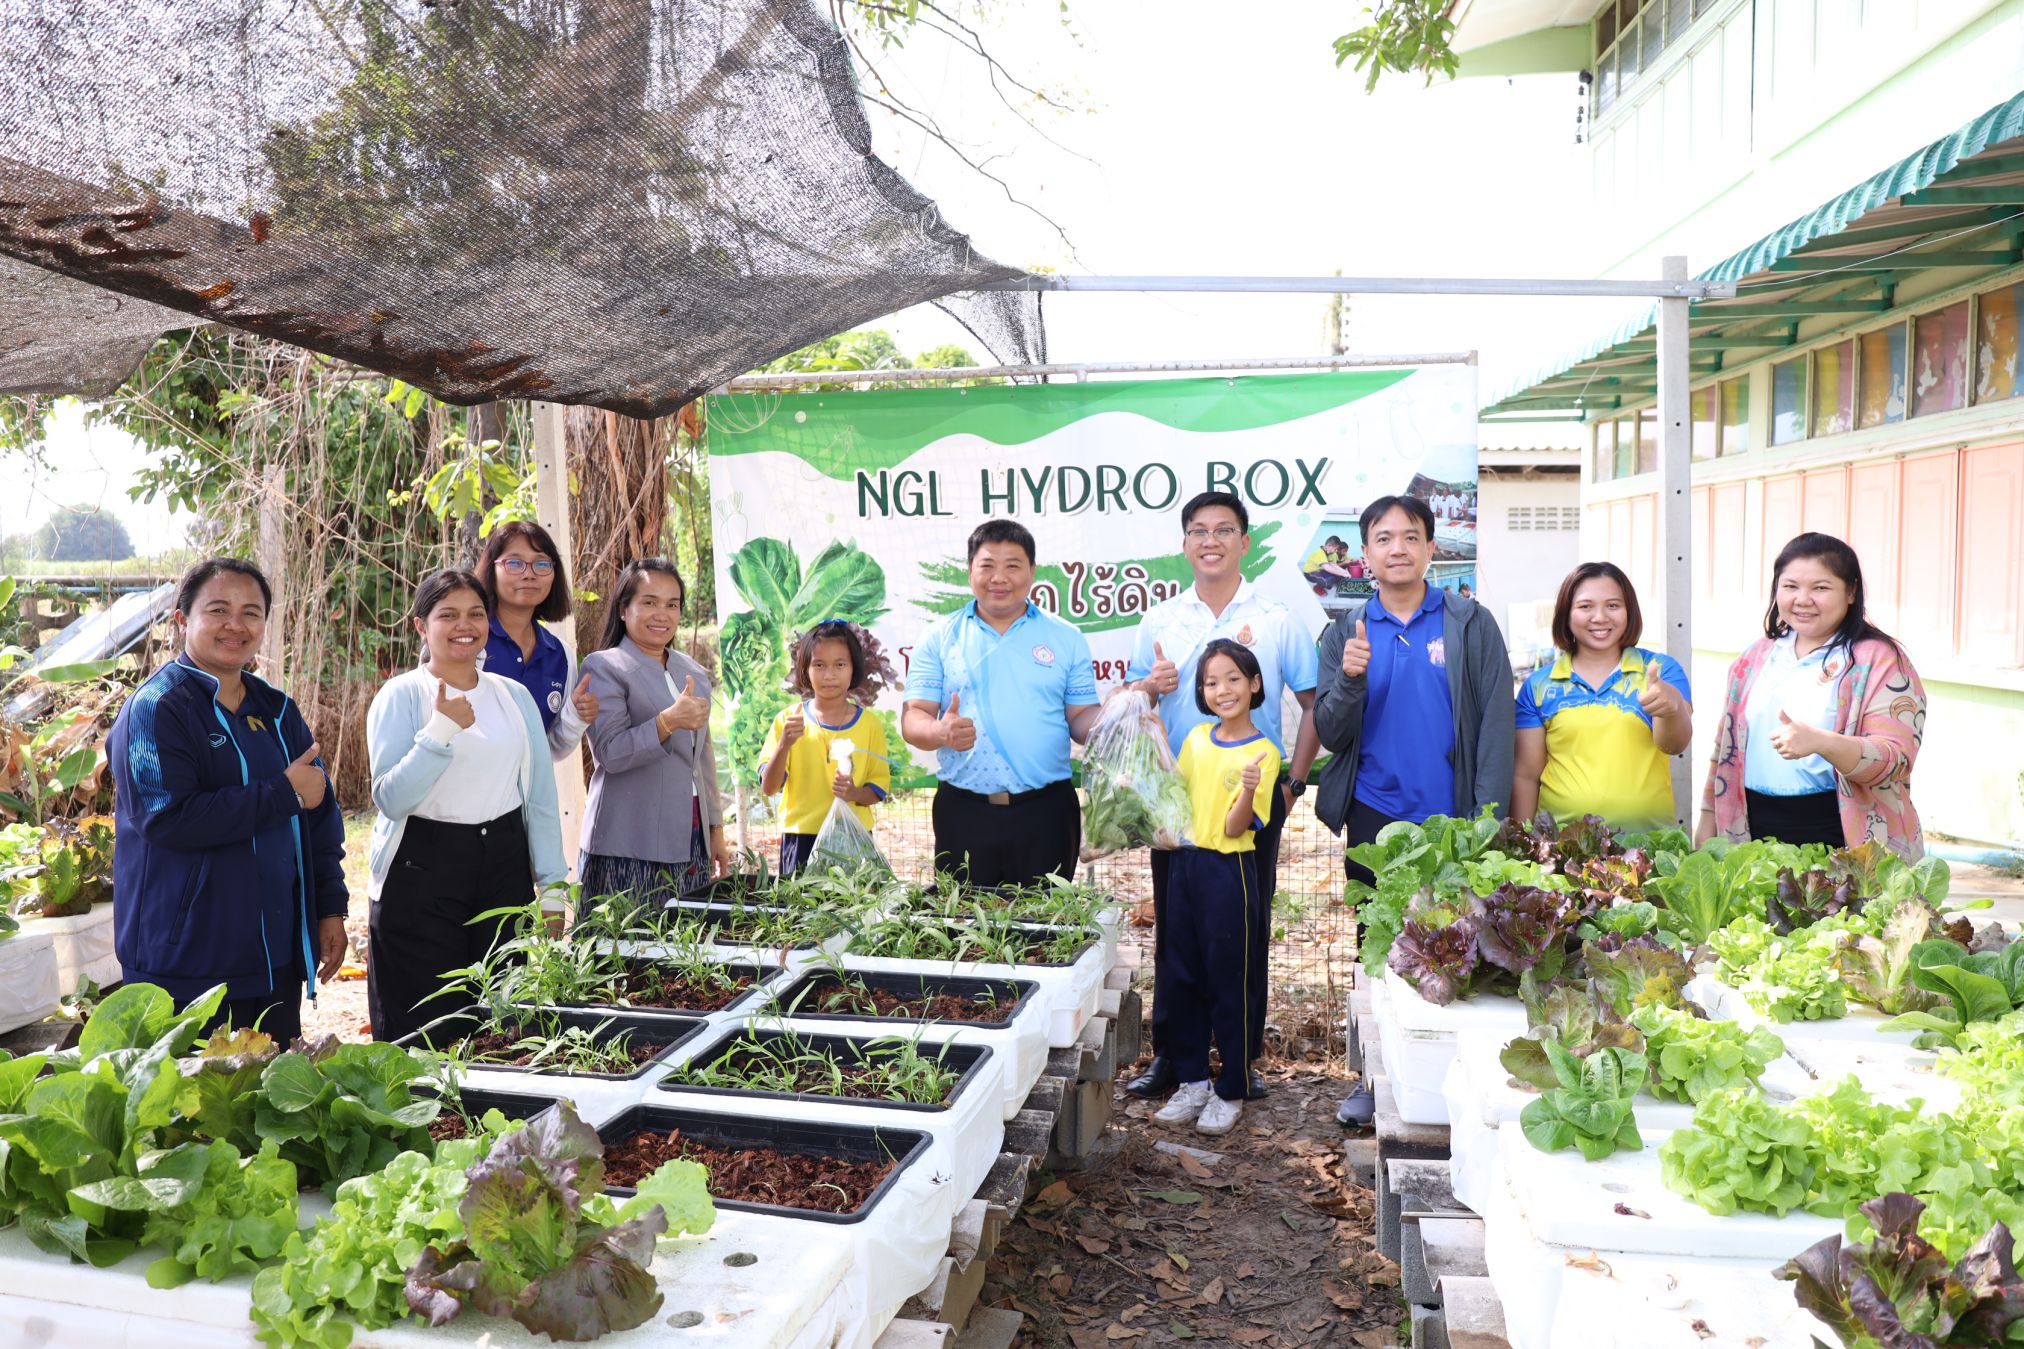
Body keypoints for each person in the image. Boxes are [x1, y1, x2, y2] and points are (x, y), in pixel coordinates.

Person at [1313, 495, 1514, 1127]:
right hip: (1375, 818)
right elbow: (1330, 733)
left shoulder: (1469, 623)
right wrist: (1349, 679)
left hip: (1454, 821)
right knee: (1379, 951)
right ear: (1364, 554)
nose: (1397, 548)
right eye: (1383, 538)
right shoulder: (1345, 631)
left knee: (1459, 951)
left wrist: (1487, 819)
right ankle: (1372, 1080)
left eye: (1410, 536)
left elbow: (1496, 724)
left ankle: (1453, 1085)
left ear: (1431, 548)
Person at [1120, 491, 1319, 1104]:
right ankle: (1172, 1057)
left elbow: (1313, 705)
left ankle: (1241, 1060)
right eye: (1199, 531)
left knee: (1245, 932)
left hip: (1249, 806)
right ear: (1184, 544)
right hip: (1175, 807)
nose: (1211, 541)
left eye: (1224, 530)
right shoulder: (1160, 619)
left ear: (1244, 542)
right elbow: (1131, 703)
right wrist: (1148, 686)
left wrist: (1293, 783)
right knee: (1175, 932)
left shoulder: (1277, 617)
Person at [109, 558, 347, 1043]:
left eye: (251, 612)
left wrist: (329, 909)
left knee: (270, 1087)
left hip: (273, 958)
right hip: (186, 964)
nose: (235, 625)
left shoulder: (277, 710)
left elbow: (318, 818)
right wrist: (283, 793)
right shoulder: (156, 708)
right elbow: (167, 818)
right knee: (187, 1090)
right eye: (218, 610)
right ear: (182, 619)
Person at [365, 568, 565, 1044]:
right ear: (421, 626)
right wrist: (440, 731)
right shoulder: (402, 695)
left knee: (502, 1025)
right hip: (420, 873)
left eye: (476, 614)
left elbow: (539, 798)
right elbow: (391, 798)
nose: (464, 626)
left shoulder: (513, 696)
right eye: (448, 615)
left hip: (503, 868)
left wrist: (553, 888)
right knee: (424, 1028)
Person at [1696, 532, 1926, 857]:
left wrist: (1822, 742)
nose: (1803, 599)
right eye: (1790, 586)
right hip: (1752, 832)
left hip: (1842, 834)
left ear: (1851, 592)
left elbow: (1896, 759)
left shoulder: (1879, 659)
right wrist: (1708, 819)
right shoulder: (1756, 657)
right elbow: (1725, 749)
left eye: (1820, 588)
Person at [902, 519, 1100, 887]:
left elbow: (1081, 718)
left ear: (1032, 572)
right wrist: (940, 731)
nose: (999, 578)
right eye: (987, 565)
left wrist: (1118, 720)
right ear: (970, 571)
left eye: (1012, 565)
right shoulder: (939, 636)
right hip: (963, 811)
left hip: (1047, 813)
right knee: (963, 919)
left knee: (1046, 920)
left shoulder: (1066, 637)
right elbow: (914, 717)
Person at [1150, 639, 1281, 1138]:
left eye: (1232, 679)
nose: (1222, 690)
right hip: (1183, 865)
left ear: (1254, 684)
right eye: (1210, 682)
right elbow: (1175, 799)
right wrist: (1155, 740)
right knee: (1181, 973)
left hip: (1229, 872)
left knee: (1229, 979)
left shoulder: (1264, 753)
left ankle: (1232, 1086)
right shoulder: (1197, 738)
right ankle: (1192, 1081)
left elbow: (1234, 827)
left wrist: (1247, 788)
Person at [579, 558, 729, 906]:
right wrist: (667, 721)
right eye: (649, 602)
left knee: (685, 936)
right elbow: (610, 753)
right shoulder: (603, 666)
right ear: (623, 609)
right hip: (628, 839)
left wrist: (715, 830)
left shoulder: (692, 671)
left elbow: (703, 758)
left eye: (672, 605)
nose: (662, 615)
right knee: (625, 938)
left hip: (690, 833)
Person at [1511, 563, 1691, 831]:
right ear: (1566, 614)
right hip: (1562, 847)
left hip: (1647, 843)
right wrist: (1521, 843)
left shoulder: (1661, 670)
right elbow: (1526, 776)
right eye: (1585, 606)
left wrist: (1671, 707)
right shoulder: (1538, 685)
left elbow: (1674, 745)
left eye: (1613, 606)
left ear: (1629, 611)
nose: (1600, 617)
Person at [759, 620, 892, 873]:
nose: (829, 675)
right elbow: (769, 787)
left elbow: (877, 790)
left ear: (854, 668)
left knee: (853, 899)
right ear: (805, 670)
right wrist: (784, 744)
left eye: (840, 665)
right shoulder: (788, 720)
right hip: (801, 838)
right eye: (819, 665)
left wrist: (854, 793)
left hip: (852, 836)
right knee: (800, 899)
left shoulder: (869, 725)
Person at [476, 520, 600, 759]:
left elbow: (552, 750)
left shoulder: (561, 656)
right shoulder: (470, 641)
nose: (529, 574)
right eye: (514, 563)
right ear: (492, 570)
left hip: (533, 784)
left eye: (541, 564)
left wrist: (576, 716)